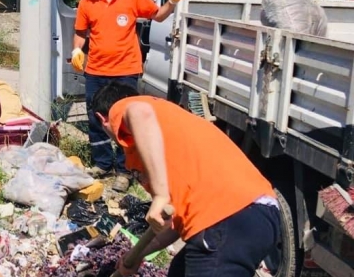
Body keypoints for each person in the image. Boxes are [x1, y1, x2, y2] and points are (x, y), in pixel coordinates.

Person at [89, 81, 281, 277]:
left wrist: (160, 195)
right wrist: (138, 255)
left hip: (224, 217)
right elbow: (174, 222)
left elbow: (139, 112)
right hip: (259, 215)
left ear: (102, 119)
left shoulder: (128, 107)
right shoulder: (169, 128)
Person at [71, 0, 188, 192]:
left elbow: (158, 15)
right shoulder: (87, 2)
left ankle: (125, 171)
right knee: (97, 119)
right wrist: (76, 49)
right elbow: (81, 32)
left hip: (126, 70)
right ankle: (103, 163)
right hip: (96, 70)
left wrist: (172, 2)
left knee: (126, 123)